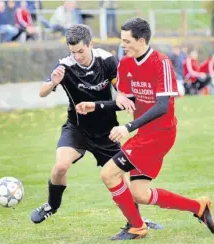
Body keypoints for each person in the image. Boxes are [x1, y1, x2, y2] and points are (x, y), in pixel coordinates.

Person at [76, 18, 214, 240]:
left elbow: (162, 107)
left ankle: (136, 227)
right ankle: (199, 207)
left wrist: (127, 127)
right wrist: (95, 106)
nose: (122, 45)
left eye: (127, 41)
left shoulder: (160, 62)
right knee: (139, 194)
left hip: (160, 135)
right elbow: (128, 101)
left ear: (141, 40)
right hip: (144, 134)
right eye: (121, 40)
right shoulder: (126, 63)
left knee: (109, 173)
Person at [30, 24, 162, 231]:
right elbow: (42, 92)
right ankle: (51, 205)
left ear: (90, 44)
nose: (77, 56)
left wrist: (121, 94)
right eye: (73, 52)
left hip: (106, 132)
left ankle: (137, 220)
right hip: (77, 129)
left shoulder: (107, 60)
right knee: (60, 166)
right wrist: (52, 83)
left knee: (122, 179)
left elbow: (121, 88)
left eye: (81, 51)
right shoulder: (65, 66)